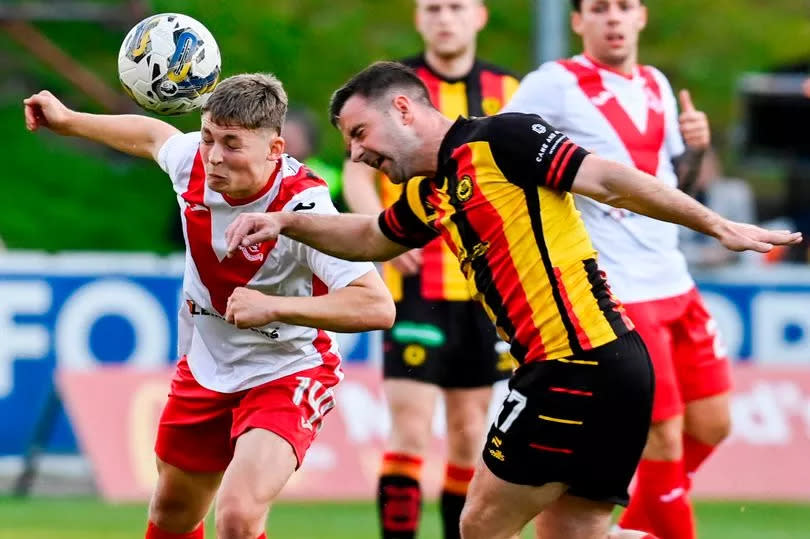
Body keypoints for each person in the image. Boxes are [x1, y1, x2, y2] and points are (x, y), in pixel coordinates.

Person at [223, 62, 801, 539]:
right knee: (574, 534)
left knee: (479, 525)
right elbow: (371, 235)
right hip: (614, 363)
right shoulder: (434, 190)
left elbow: (610, 181)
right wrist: (283, 223)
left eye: (359, 134)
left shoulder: (501, 139)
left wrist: (715, 224)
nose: (357, 155)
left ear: (402, 109)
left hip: (574, 363)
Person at [23, 73, 395, 539]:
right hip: (207, 366)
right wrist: (69, 120)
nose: (215, 156)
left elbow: (377, 307)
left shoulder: (305, 209)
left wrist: (274, 307)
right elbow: (153, 136)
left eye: (232, 144)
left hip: (288, 368)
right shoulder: (194, 165)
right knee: (172, 512)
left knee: (237, 517)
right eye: (208, 138)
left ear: (274, 150)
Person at [501, 1, 735, 536]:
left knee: (714, 424)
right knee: (664, 438)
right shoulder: (553, 82)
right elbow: (499, 148)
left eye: (623, 7)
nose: (613, 18)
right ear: (578, 21)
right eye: (599, 8)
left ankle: (626, 512)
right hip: (619, 288)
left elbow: (677, 184)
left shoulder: (655, 82)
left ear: (641, 17)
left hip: (674, 278)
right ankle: (654, 514)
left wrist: (697, 149)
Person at [340, 2, 520, 537]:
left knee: (469, 435)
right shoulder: (391, 90)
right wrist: (378, 225)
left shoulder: (509, 89)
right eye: (433, 7)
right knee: (410, 430)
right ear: (419, 18)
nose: (446, 18)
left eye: (456, 7)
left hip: (486, 290)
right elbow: (356, 173)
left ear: (480, 16)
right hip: (415, 286)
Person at [282, 106, 345, 210]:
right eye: (284, 135)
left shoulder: (331, 176)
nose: (287, 141)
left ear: (310, 142)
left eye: (295, 136)